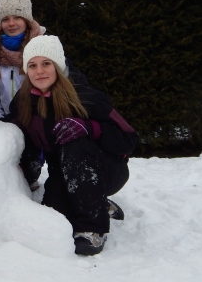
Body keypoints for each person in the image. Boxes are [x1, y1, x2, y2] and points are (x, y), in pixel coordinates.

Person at [9, 35, 137, 256]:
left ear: (58, 65)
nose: (39, 71)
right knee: (54, 216)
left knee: (75, 144)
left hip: (107, 169)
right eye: (32, 65)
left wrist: (91, 128)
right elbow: (20, 139)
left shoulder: (85, 97)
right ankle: (95, 201)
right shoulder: (23, 102)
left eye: (46, 63)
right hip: (63, 172)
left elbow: (129, 140)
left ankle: (93, 228)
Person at [0, 0, 45, 121]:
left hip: (37, 123)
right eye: (6, 19)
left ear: (27, 20)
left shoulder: (43, 48)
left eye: (17, 17)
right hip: (3, 123)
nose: (11, 24)